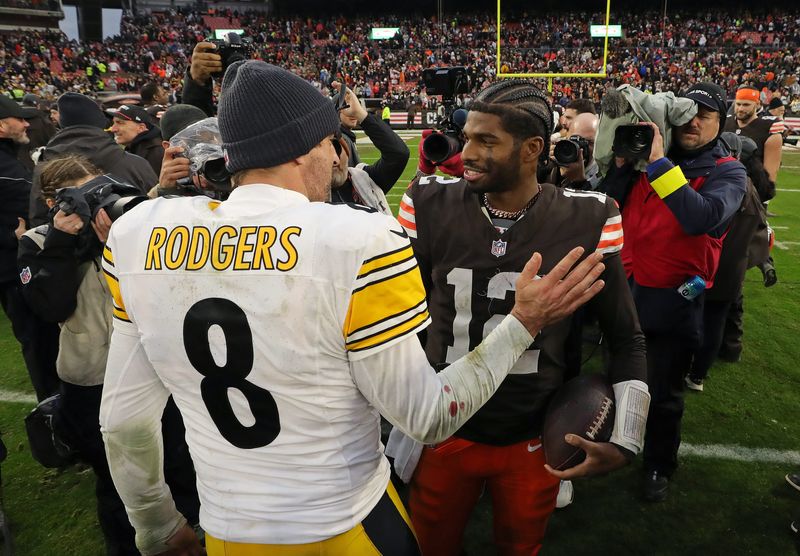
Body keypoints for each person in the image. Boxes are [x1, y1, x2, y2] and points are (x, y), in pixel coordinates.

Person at [98, 61, 606, 556]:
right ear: (302, 150)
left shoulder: (137, 233)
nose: (337, 157)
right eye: (329, 142)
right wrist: (523, 323)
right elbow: (426, 416)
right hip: (343, 523)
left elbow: (122, 422)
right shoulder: (357, 239)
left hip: (230, 529)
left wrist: (155, 524)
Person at [398, 79, 649, 556]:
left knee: (521, 547)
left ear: (533, 148)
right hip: (444, 422)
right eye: (468, 136)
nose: (467, 152)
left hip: (534, 430)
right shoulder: (430, 201)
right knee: (428, 545)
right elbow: (400, 319)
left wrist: (627, 438)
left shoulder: (588, 216)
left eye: (486, 141)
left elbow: (626, 337)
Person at [19, 155, 200, 556]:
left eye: (98, 188)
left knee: (178, 460)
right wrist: (64, 243)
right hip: (92, 377)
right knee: (119, 477)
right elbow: (51, 308)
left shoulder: (126, 225)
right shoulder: (36, 243)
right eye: (84, 196)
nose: (98, 202)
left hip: (156, 368)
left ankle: (190, 530)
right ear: (56, 202)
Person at [600, 82, 747, 502]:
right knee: (616, 379)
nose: (693, 121)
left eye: (705, 114)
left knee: (663, 395)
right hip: (624, 291)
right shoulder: (644, 158)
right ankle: (616, 445)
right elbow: (603, 205)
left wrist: (660, 163)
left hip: (674, 299)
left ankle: (659, 465)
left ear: (722, 123)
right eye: (687, 111)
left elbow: (700, 217)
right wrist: (620, 163)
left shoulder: (726, 171)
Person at [0, 95, 60, 402]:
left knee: (45, 340)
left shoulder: (12, 160)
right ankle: (52, 418)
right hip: (15, 272)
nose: (26, 123)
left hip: (21, 266)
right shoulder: (6, 167)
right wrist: (14, 237)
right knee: (39, 343)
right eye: (19, 118)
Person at [31, 93, 157, 227]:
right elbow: (157, 211)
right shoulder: (135, 164)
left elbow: (38, 220)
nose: (114, 128)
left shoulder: (43, 167)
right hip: (131, 243)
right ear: (98, 121)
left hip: (64, 244)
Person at [329, 83, 409, 210]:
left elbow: (398, 154)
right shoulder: (343, 138)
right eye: (345, 107)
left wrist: (360, 113)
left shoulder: (358, 178)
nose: (335, 158)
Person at [548, 112, 601, 190]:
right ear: (567, 137)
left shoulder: (602, 174)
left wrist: (579, 182)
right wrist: (548, 168)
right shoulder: (559, 152)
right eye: (575, 140)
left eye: (589, 142)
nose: (581, 148)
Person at [108, 104, 164, 176]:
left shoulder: (155, 153)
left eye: (120, 123)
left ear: (141, 128)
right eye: (113, 123)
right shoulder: (137, 148)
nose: (113, 129)